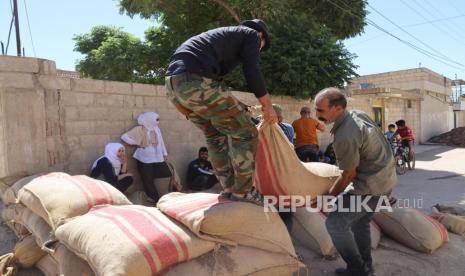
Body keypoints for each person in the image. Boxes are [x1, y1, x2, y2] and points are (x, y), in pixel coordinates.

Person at [165, 19, 278, 202]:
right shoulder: (252, 35)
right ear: (262, 37)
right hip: (195, 81)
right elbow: (252, 71)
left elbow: (218, 93)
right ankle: (244, 191)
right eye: (261, 47)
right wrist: (267, 105)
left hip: (173, 87)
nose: (258, 50)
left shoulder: (223, 39)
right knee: (246, 133)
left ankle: (229, 188)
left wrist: (242, 109)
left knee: (214, 134)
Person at [314, 87, 396, 276]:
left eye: (321, 110)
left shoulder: (345, 136)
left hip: (371, 187)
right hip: (385, 180)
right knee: (360, 222)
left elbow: (348, 175)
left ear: (337, 109)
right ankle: (365, 266)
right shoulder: (358, 114)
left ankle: (358, 270)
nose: (317, 114)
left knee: (335, 224)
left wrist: (328, 197)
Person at [121, 112, 172, 203]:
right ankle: (155, 199)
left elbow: (161, 142)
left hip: (157, 157)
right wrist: (136, 143)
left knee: (166, 173)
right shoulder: (140, 129)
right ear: (149, 120)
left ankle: (161, 195)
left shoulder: (157, 129)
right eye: (156, 120)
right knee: (147, 180)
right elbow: (124, 137)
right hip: (144, 158)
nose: (158, 122)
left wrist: (164, 154)